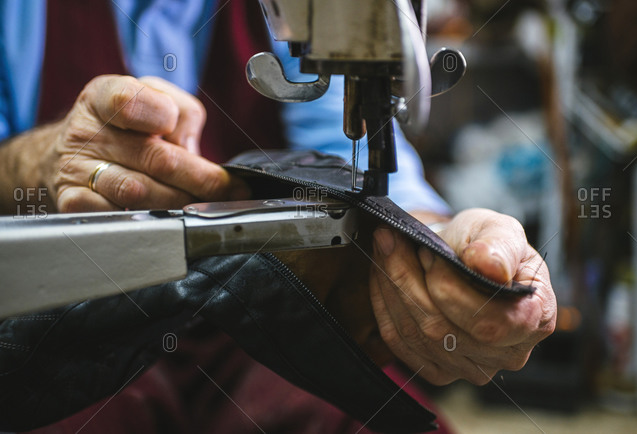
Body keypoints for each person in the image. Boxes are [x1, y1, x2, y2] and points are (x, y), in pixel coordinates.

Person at [0, 1, 556, 432]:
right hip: (63, 338)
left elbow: (343, 147)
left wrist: (438, 242)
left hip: (251, 334)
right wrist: (27, 167)